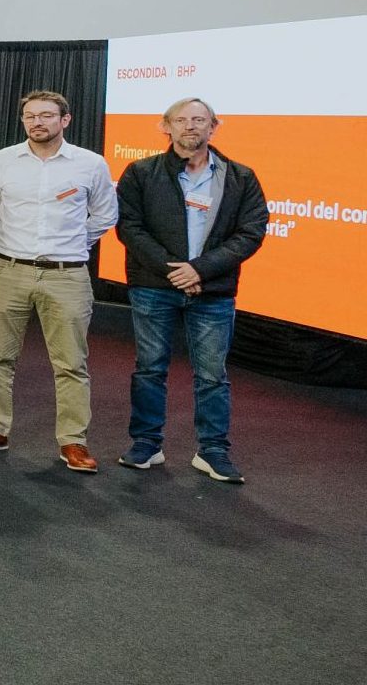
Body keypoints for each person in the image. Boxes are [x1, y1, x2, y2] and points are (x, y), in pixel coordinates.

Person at [114, 97, 267, 483]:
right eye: (181, 120)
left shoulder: (241, 177)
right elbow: (129, 228)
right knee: (150, 369)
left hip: (213, 290)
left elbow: (251, 232)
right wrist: (175, 272)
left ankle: (212, 451)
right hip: (154, 287)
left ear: (214, 127)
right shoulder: (141, 173)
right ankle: (147, 444)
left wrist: (200, 269)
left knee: (212, 375)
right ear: (165, 126)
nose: (190, 126)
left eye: (199, 120)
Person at [0, 90, 118, 473]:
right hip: (8, 269)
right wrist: (18, 241)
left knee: (71, 363)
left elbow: (105, 215)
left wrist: (71, 243)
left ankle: (73, 441)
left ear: (65, 120)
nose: (37, 122)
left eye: (47, 115)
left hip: (67, 275)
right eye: (30, 116)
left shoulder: (90, 163)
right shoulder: (1, 160)